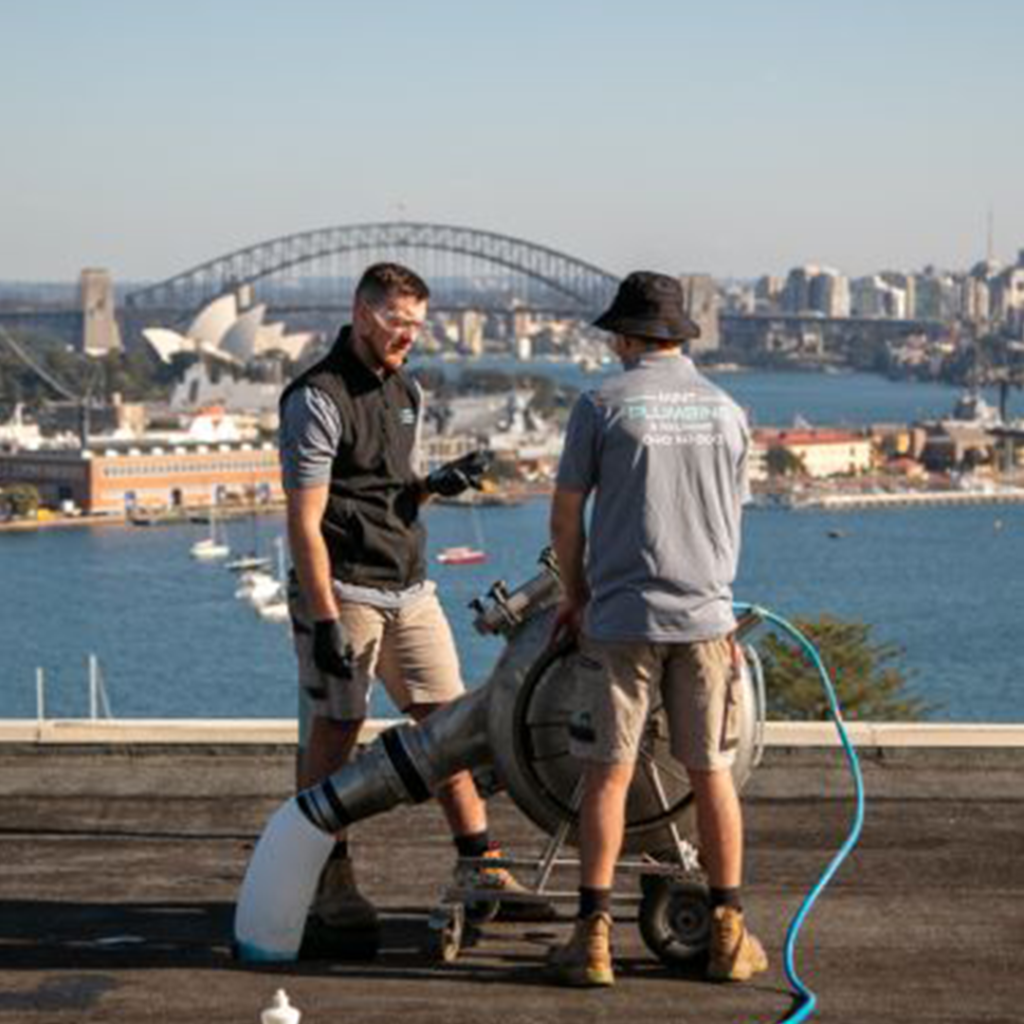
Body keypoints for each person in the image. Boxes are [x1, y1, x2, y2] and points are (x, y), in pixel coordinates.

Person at [279, 262, 518, 950]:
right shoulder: (316, 398)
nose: (407, 336)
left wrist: (436, 485)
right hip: (345, 587)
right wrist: (324, 619)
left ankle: (482, 862)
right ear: (360, 313)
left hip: (408, 584)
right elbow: (305, 521)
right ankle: (327, 877)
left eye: (417, 325)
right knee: (336, 726)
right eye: (396, 322)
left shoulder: (407, 390)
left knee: (449, 725)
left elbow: (392, 495)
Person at [546, 271, 767, 987]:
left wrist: (576, 596)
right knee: (711, 775)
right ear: (679, 336)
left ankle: (593, 940)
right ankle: (729, 935)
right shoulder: (729, 411)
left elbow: (565, 517)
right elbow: (729, 517)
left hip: (621, 620)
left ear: (625, 335)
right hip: (706, 620)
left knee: (606, 776)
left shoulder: (601, 403)